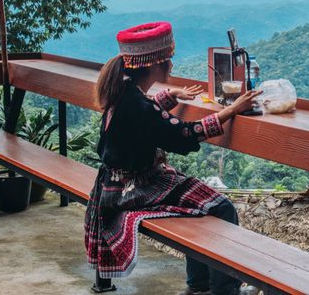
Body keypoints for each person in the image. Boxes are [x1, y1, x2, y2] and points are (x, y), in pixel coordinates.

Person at [84, 21, 259, 295]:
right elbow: (184, 134)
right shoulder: (138, 104)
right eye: (169, 60)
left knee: (195, 207)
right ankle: (225, 290)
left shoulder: (123, 90)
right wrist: (232, 109)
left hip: (112, 186)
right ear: (155, 64)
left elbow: (146, 120)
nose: (172, 66)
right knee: (221, 207)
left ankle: (198, 286)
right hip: (136, 189)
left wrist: (171, 95)